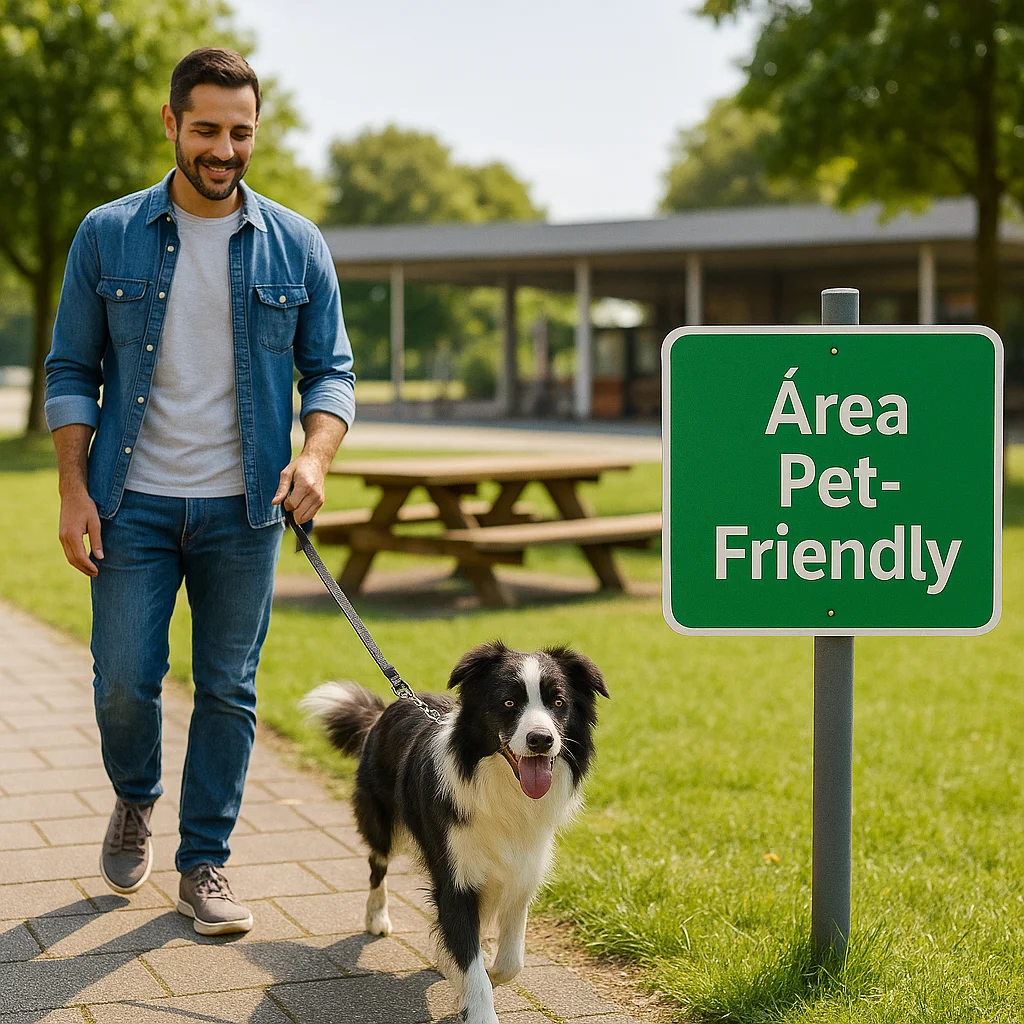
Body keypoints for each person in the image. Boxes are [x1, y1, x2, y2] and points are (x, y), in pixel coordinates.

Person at [44, 47, 355, 936]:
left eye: (242, 132)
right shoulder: (108, 233)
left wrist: (317, 458)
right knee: (124, 683)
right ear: (172, 123)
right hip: (129, 503)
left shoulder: (297, 243)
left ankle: (205, 862)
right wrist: (72, 489)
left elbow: (331, 372)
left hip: (245, 510)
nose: (225, 149)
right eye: (209, 129)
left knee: (229, 688)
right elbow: (71, 367)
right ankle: (136, 797)